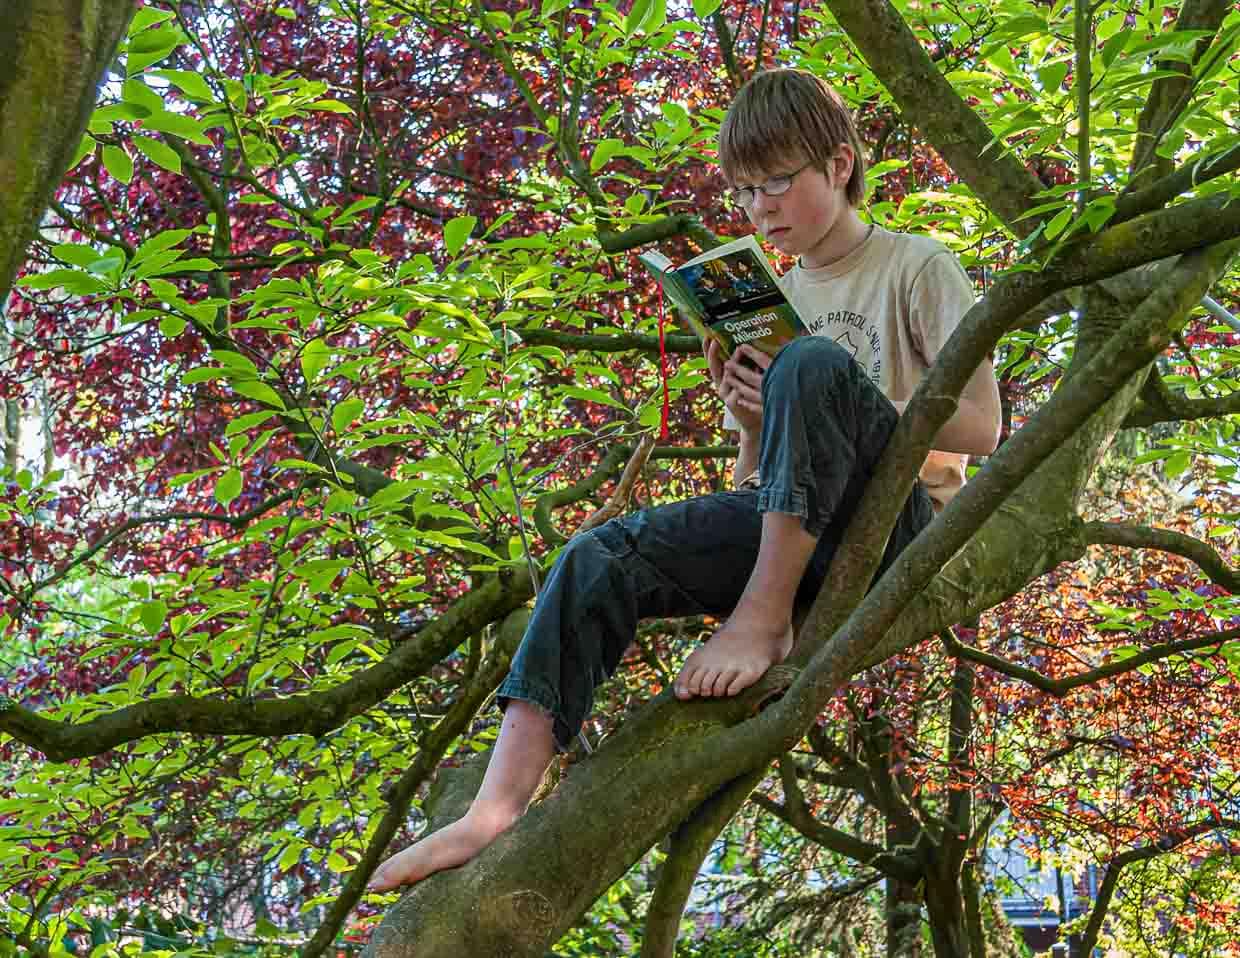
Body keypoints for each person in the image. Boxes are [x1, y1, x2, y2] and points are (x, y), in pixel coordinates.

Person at [367, 67, 1001, 892]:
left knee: (809, 361)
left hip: (898, 522)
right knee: (597, 555)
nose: (760, 208)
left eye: (778, 181)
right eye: (743, 192)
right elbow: (760, 479)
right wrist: (750, 415)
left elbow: (984, 428)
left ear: (840, 165)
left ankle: (762, 620)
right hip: (795, 530)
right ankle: (491, 810)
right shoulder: (777, 294)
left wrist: (826, 385)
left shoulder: (916, 266)